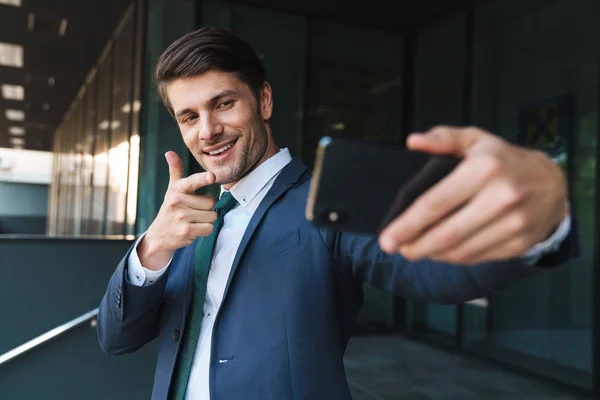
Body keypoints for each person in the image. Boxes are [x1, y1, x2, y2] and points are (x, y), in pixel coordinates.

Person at [97, 26, 575, 400]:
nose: (209, 131)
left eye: (223, 103)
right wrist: (154, 246)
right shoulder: (182, 218)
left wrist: (537, 223)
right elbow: (116, 339)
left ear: (263, 100)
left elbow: (432, 272)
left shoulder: (325, 204)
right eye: (189, 116)